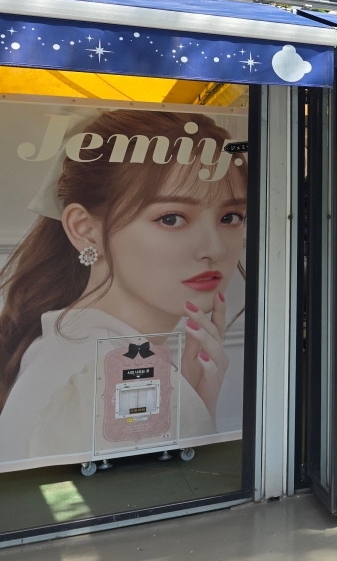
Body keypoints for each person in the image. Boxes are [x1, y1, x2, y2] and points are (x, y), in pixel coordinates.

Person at [0, 109, 247, 468]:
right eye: (171, 218)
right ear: (85, 229)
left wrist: (194, 404)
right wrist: (190, 417)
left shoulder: (68, 344)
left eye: (231, 217)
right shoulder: (108, 374)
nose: (214, 248)